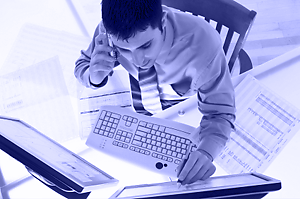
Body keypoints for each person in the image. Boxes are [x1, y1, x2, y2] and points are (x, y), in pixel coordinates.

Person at [74, 0, 236, 185]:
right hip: (139, 98)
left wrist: (207, 151)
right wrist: (95, 76)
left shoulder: (204, 44)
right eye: (124, 49)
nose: (137, 60)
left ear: (164, 22)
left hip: (183, 107)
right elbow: (82, 64)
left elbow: (220, 113)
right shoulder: (108, 31)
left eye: (145, 45)